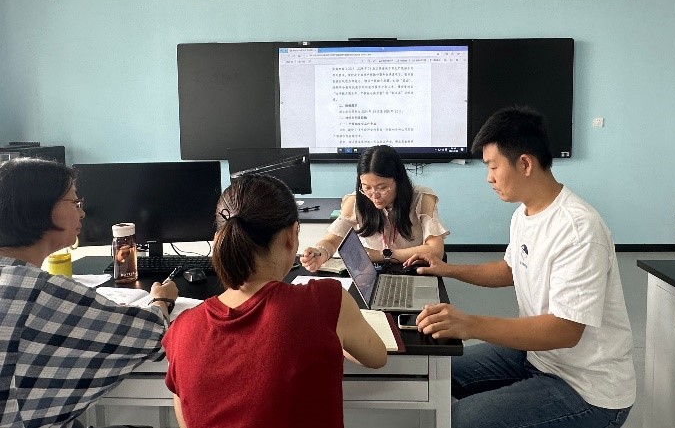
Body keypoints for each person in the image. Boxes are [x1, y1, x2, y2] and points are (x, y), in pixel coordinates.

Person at [404, 106, 635, 428]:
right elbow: (511, 270)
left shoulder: (578, 228)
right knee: (436, 371)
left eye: (493, 166)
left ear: (525, 163)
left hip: (587, 389)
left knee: (460, 420)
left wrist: (470, 324)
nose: (489, 178)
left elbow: (565, 330)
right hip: (538, 356)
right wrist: (447, 269)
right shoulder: (524, 214)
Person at [162, 173, 387, 428]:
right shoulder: (325, 301)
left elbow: (186, 419)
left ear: (219, 240)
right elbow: (377, 357)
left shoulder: (181, 330)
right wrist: (336, 333)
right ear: (291, 236)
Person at [0, 157, 178, 428]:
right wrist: (161, 299)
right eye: (75, 202)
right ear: (42, 208)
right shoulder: (44, 294)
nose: (82, 213)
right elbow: (152, 335)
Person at [301, 145, 449, 271]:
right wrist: (320, 252)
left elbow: (436, 251)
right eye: (367, 187)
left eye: (382, 187)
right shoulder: (355, 201)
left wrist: (381, 255)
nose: (374, 195)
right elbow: (331, 241)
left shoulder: (422, 198)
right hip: (372, 273)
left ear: (399, 181)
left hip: (413, 270)